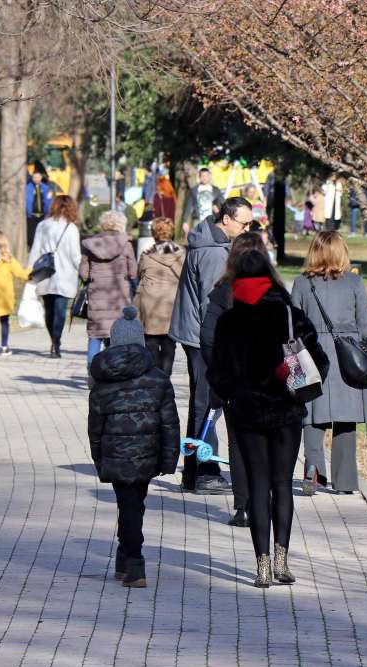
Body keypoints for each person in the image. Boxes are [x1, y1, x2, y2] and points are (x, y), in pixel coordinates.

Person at [208, 250, 329, 587]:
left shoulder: (229, 320)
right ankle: (281, 562)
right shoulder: (290, 315)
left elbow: (216, 373)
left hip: (246, 412)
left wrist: (232, 395)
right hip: (286, 410)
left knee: (258, 485)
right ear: (270, 275)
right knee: (282, 484)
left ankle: (261, 567)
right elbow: (319, 361)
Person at [89, 307, 180, 588]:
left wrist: (99, 460)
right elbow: (170, 424)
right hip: (147, 455)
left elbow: (95, 427)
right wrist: (169, 460)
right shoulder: (158, 378)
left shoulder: (102, 381)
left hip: (116, 454)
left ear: (113, 341)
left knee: (127, 504)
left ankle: (132, 559)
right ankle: (129, 557)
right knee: (134, 504)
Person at [292, 231, 367, 496]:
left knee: (311, 415)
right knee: (346, 421)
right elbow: (365, 324)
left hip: (311, 354)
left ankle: (313, 470)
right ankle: (344, 482)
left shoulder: (302, 283)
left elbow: (292, 325)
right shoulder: (354, 283)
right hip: (349, 355)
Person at [169, 196, 253, 495]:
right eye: (244, 223)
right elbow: (212, 304)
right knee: (207, 404)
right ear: (226, 219)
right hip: (204, 338)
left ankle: (193, 471)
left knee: (201, 402)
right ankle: (205, 472)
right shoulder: (214, 253)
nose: (247, 229)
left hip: (198, 334)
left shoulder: (210, 242)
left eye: (251, 224)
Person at [200, 231, 272, 527]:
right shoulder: (274, 292)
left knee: (238, 442)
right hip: (267, 381)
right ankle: (259, 502)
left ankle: (242, 506)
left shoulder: (223, 291)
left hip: (234, 381)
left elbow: (208, 340)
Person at [80, 210, 137, 368]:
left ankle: (92, 372)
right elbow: (133, 272)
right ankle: (113, 371)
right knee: (116, 337)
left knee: (95, 336)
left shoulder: (91, 245)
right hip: (119, 297)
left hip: (97, 296)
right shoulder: (126, 245)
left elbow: (83, 273)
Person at [29, 194, 82, 358]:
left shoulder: (43, 225)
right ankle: (56, 342)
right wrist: (84, 270)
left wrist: (30, 270)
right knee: (60, 310)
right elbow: (75, 255)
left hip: (45, 273)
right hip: (65, 274)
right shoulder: (71, 228)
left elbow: (35, 249)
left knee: (49, 309)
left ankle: (53, 339)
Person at [133, 217, 184, 375]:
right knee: (169, 344)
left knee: (151, 343)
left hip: (150, 304)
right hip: (171, 303)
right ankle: (165, 377)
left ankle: (154, 377)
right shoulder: (181, 253)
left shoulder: (147, 254)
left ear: (154, 233)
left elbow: (139, 273)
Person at [0, 231, 32, 358]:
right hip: (4, 297)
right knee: (4, 322)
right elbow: (21, 274)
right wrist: (32, 271)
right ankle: (4, 347)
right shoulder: (9, 260)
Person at [181, 167, 224, 235]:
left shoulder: (215, 190)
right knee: (198, 239)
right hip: (198, 221)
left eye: (206, 176)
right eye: (203, 176)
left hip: (212, 220)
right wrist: (185, 221)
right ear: (199, 177)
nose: (205, 178)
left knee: (212, 239)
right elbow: (188, 207)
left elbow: (223, 203)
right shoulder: (194, 190)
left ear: (209, 176)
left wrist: (218, 210)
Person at [25, 170, 53, 247]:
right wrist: (28, 212)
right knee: (31, 233)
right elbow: (27, 201)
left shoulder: (46, 188)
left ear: (41, 177)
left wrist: (47, 211)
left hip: (42, 214)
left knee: (41, 232)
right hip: (31, 215)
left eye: (38, 177)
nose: (36, 179)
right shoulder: (28, 188)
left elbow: (48, 200)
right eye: (34, 177)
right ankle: (31, 246)